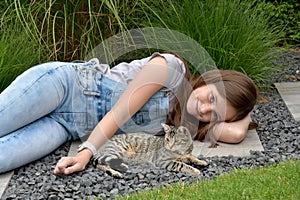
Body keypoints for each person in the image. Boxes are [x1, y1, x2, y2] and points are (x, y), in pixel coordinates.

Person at [0, 52, 258, 174]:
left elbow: (235, 133)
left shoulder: (184, 126)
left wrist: (241, 110)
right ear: (207, 80)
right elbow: (121, 111)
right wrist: (87, 152)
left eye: (215, 115)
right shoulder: (171, 68)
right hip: (64, 86)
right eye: (211, 97)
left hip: (65, 126)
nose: (204, 109)